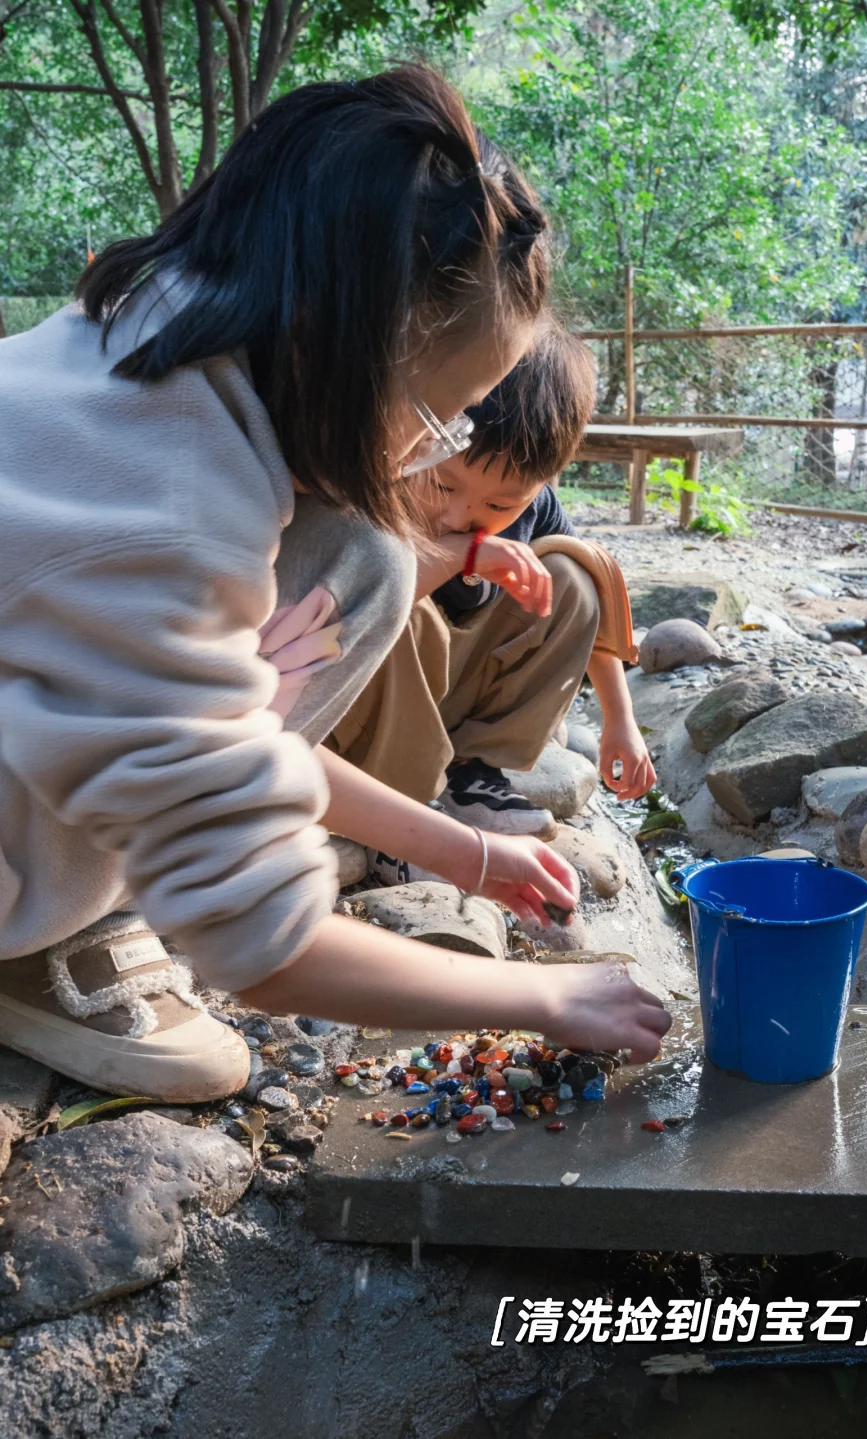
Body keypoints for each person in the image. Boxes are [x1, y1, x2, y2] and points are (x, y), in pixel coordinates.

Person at [0, 68, 670, 1103]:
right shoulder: (166, 524)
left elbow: (222, 732)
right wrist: (543, 1000)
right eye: (442, 415)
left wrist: (469, 858)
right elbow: (263, 945)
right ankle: (39, 939)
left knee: (363, 555)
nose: (428, 454)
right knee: (368, 557)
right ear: (339, 345)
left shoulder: (151, 331)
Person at [332, 324, 656, 850]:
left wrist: (622, 722)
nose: (463, 514)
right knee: (396, 593)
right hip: (379, 709)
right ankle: (396, 797)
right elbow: (349, 607)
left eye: (501, 505)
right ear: (425, 436)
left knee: (575, 575)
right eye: (443, 484)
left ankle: (474, 769)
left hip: (452, 692)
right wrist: (463, 554)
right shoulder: (387, 480)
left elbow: (591, 617)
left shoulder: (539, 506)